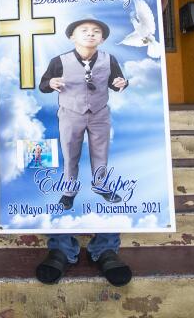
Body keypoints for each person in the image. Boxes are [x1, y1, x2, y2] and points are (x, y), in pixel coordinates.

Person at [0, 0, 176, 287]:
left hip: (100, 112)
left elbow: (148, 23)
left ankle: (106, 248)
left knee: (101, 158)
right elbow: (16, 20)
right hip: (67, 113)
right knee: (65, 161)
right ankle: (62, 247)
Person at [39, 17, 128, 210]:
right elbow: (43, 85)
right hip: (71, 114)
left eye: (96, 31)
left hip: (100, 114)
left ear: (102, 39)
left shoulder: (109, 59)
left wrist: (122, 83)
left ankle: (102, 186)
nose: (90, 34)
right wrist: (50, 83)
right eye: (84, 30)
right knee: (70, 155)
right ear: (72, 37)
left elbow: (117, 81)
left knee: (100, 153)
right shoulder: (59, 61)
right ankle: (68, 192)